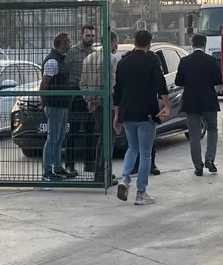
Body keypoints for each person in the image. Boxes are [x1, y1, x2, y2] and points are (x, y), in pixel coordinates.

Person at [113, 30, 169, 205]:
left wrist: (117, 116)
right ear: (149, 43)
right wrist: (166, 105)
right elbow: (161, 83)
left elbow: (118, 91)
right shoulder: (151, 60)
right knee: (145, 153)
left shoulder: (123, 62)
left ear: (134, 41)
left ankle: (125, 179)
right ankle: (141, 193)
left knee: (132, 148)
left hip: (127, 112)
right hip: (146, 112)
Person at [176, 33, 223, 176]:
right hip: (209, 100)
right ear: (205, 44)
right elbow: (218, 79)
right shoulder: (211, 60)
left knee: (194, 134)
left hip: (191, 102)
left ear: (192, 44)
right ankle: (210, 160)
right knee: (212, 129)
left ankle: (198, 166)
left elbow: (178, 81)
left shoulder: (184, 61)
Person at [80, 30, 120, 183]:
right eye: (116, 42)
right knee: (107, 140)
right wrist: (98, 100)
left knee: (102, 139)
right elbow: (111, 84)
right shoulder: (111, 59)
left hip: (93, 106)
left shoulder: (88, 58)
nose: (116, 45)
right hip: (107, 104)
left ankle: (101, 172)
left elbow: (82, 84)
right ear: (112, 42)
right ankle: (102, 174)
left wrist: (89, 100)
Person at [62, 24, 97, 178]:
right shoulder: (73, 52)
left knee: (90, 130)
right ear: (82, 35)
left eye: (92, 36)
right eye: (87, 35)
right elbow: (64, 71)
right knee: (74, 131)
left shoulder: (95, 53)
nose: (90, 38)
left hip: (90, 94)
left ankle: (89, 163)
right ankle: (69, 165)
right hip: (76, 94)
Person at [39, 33, 72, 181]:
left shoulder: (60, 59)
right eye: (68, 41)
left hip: (62, 104)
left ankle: (58, 168)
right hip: (55, 104)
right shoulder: (53, 61)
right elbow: (45, 84)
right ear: (61, 43)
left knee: (59, 138)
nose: (70, 44)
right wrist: (44, 102)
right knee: (52, 138)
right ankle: (47, 171)